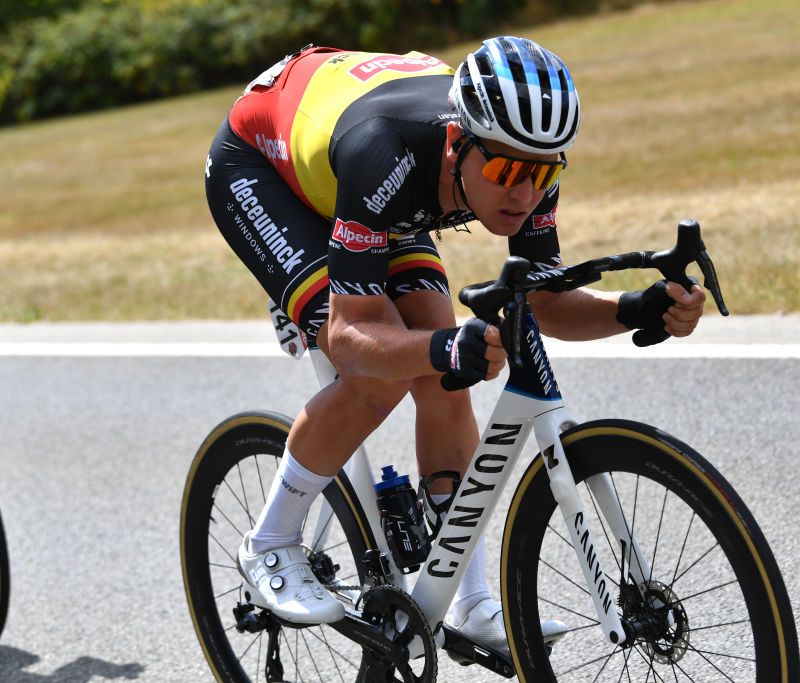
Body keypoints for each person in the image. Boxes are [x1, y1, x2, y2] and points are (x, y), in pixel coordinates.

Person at [204, 36, 706, 653]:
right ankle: (270, 543)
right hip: (265, 168)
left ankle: (466, 600)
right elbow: (352, 335)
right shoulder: (386, 150)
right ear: (456, 144)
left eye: (542, 173)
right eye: (505, 172)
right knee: (383, 372)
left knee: (445, 374)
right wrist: (438, 348)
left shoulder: (523, 155)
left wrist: (635, 309)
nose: (523, 193)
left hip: (389, 196)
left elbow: (545, 302)